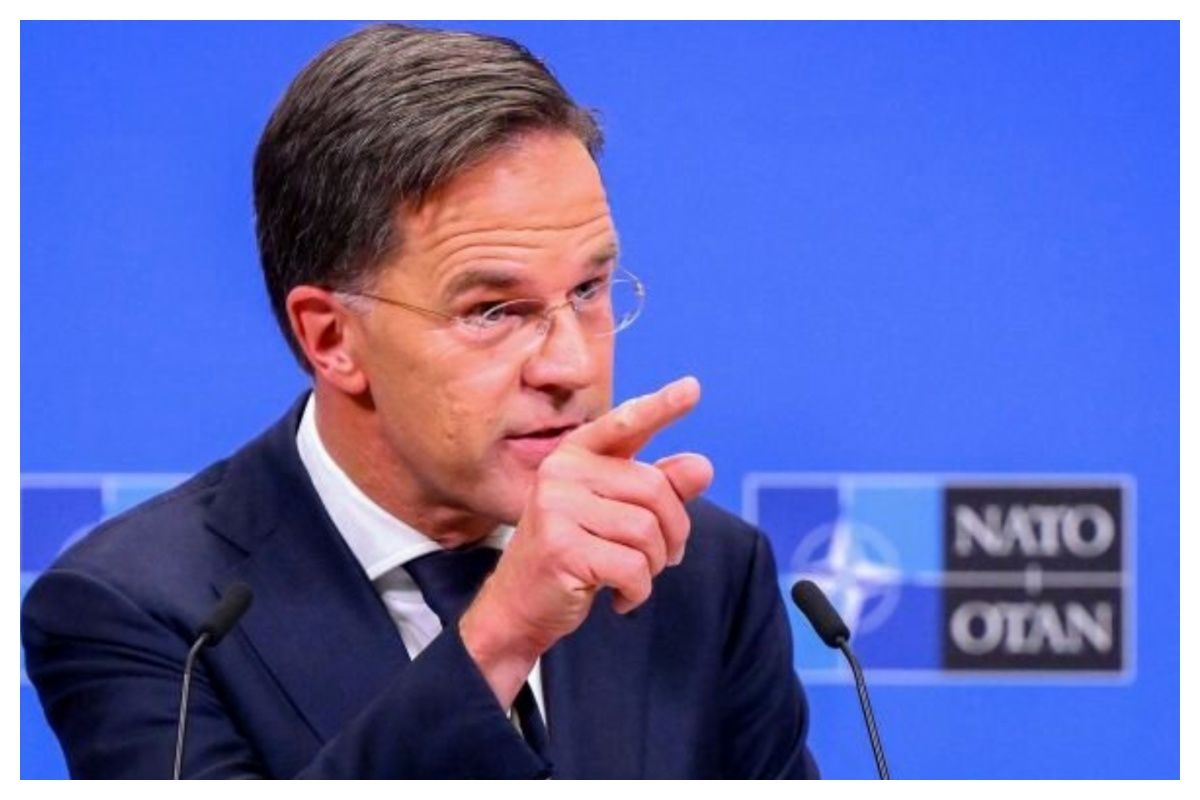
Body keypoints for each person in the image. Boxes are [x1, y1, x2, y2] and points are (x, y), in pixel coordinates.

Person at [21, 23, 818, 779]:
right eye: (493, 311)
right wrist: (501, 637)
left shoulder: (696, 569)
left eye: (588, 290)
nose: (571, 365)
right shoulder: (143, 609)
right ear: (332, 337)